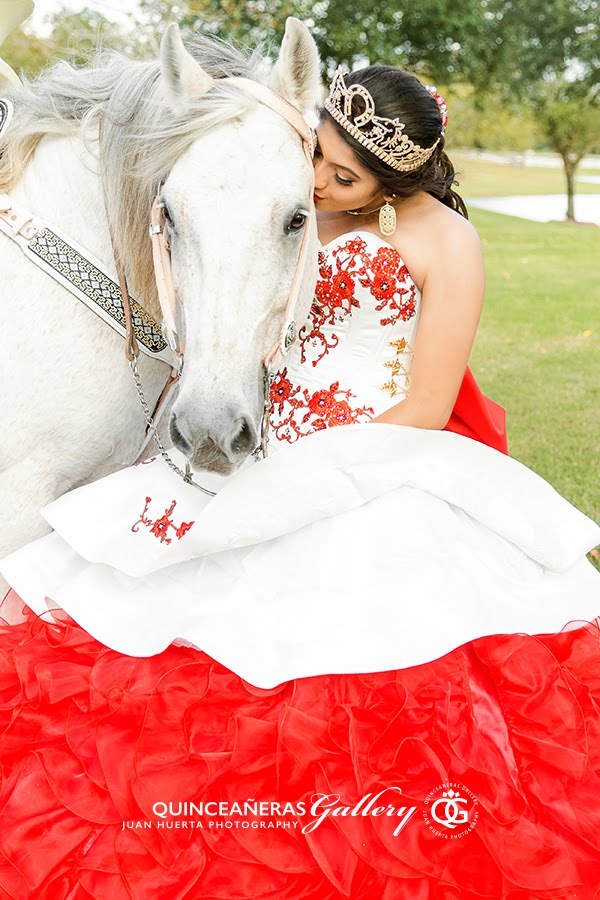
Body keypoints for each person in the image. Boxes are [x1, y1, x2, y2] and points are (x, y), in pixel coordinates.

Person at [1, 61, 600, 900]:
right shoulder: (292, 211)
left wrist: (318, 467)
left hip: (368, 453)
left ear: (397, 178)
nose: (317, 181)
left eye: (344, 176)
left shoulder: (444, 242)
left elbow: (429, 402)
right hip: (260, 439)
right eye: (316, 156)